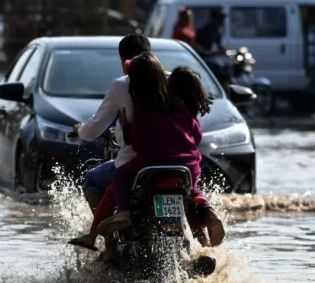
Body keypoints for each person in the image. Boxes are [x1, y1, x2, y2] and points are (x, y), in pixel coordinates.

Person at [69, 65, 225, 250]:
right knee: (191, 195)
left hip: (150, 161)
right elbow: (196, 137)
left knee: (118, 178)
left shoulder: (145, 107)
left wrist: (125, 127)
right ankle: (205, 235)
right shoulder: (185, 111)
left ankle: (114, 223)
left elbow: (136, 140)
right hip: (188, 166)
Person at [67, 34, 151, 255]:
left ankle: (110, 244)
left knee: (94, 179)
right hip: (175, 159)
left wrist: (79, 130)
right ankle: (201, 238)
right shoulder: (171, 81)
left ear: (125, 61)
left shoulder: (123, 84)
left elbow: (93, 129)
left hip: (135, 160)